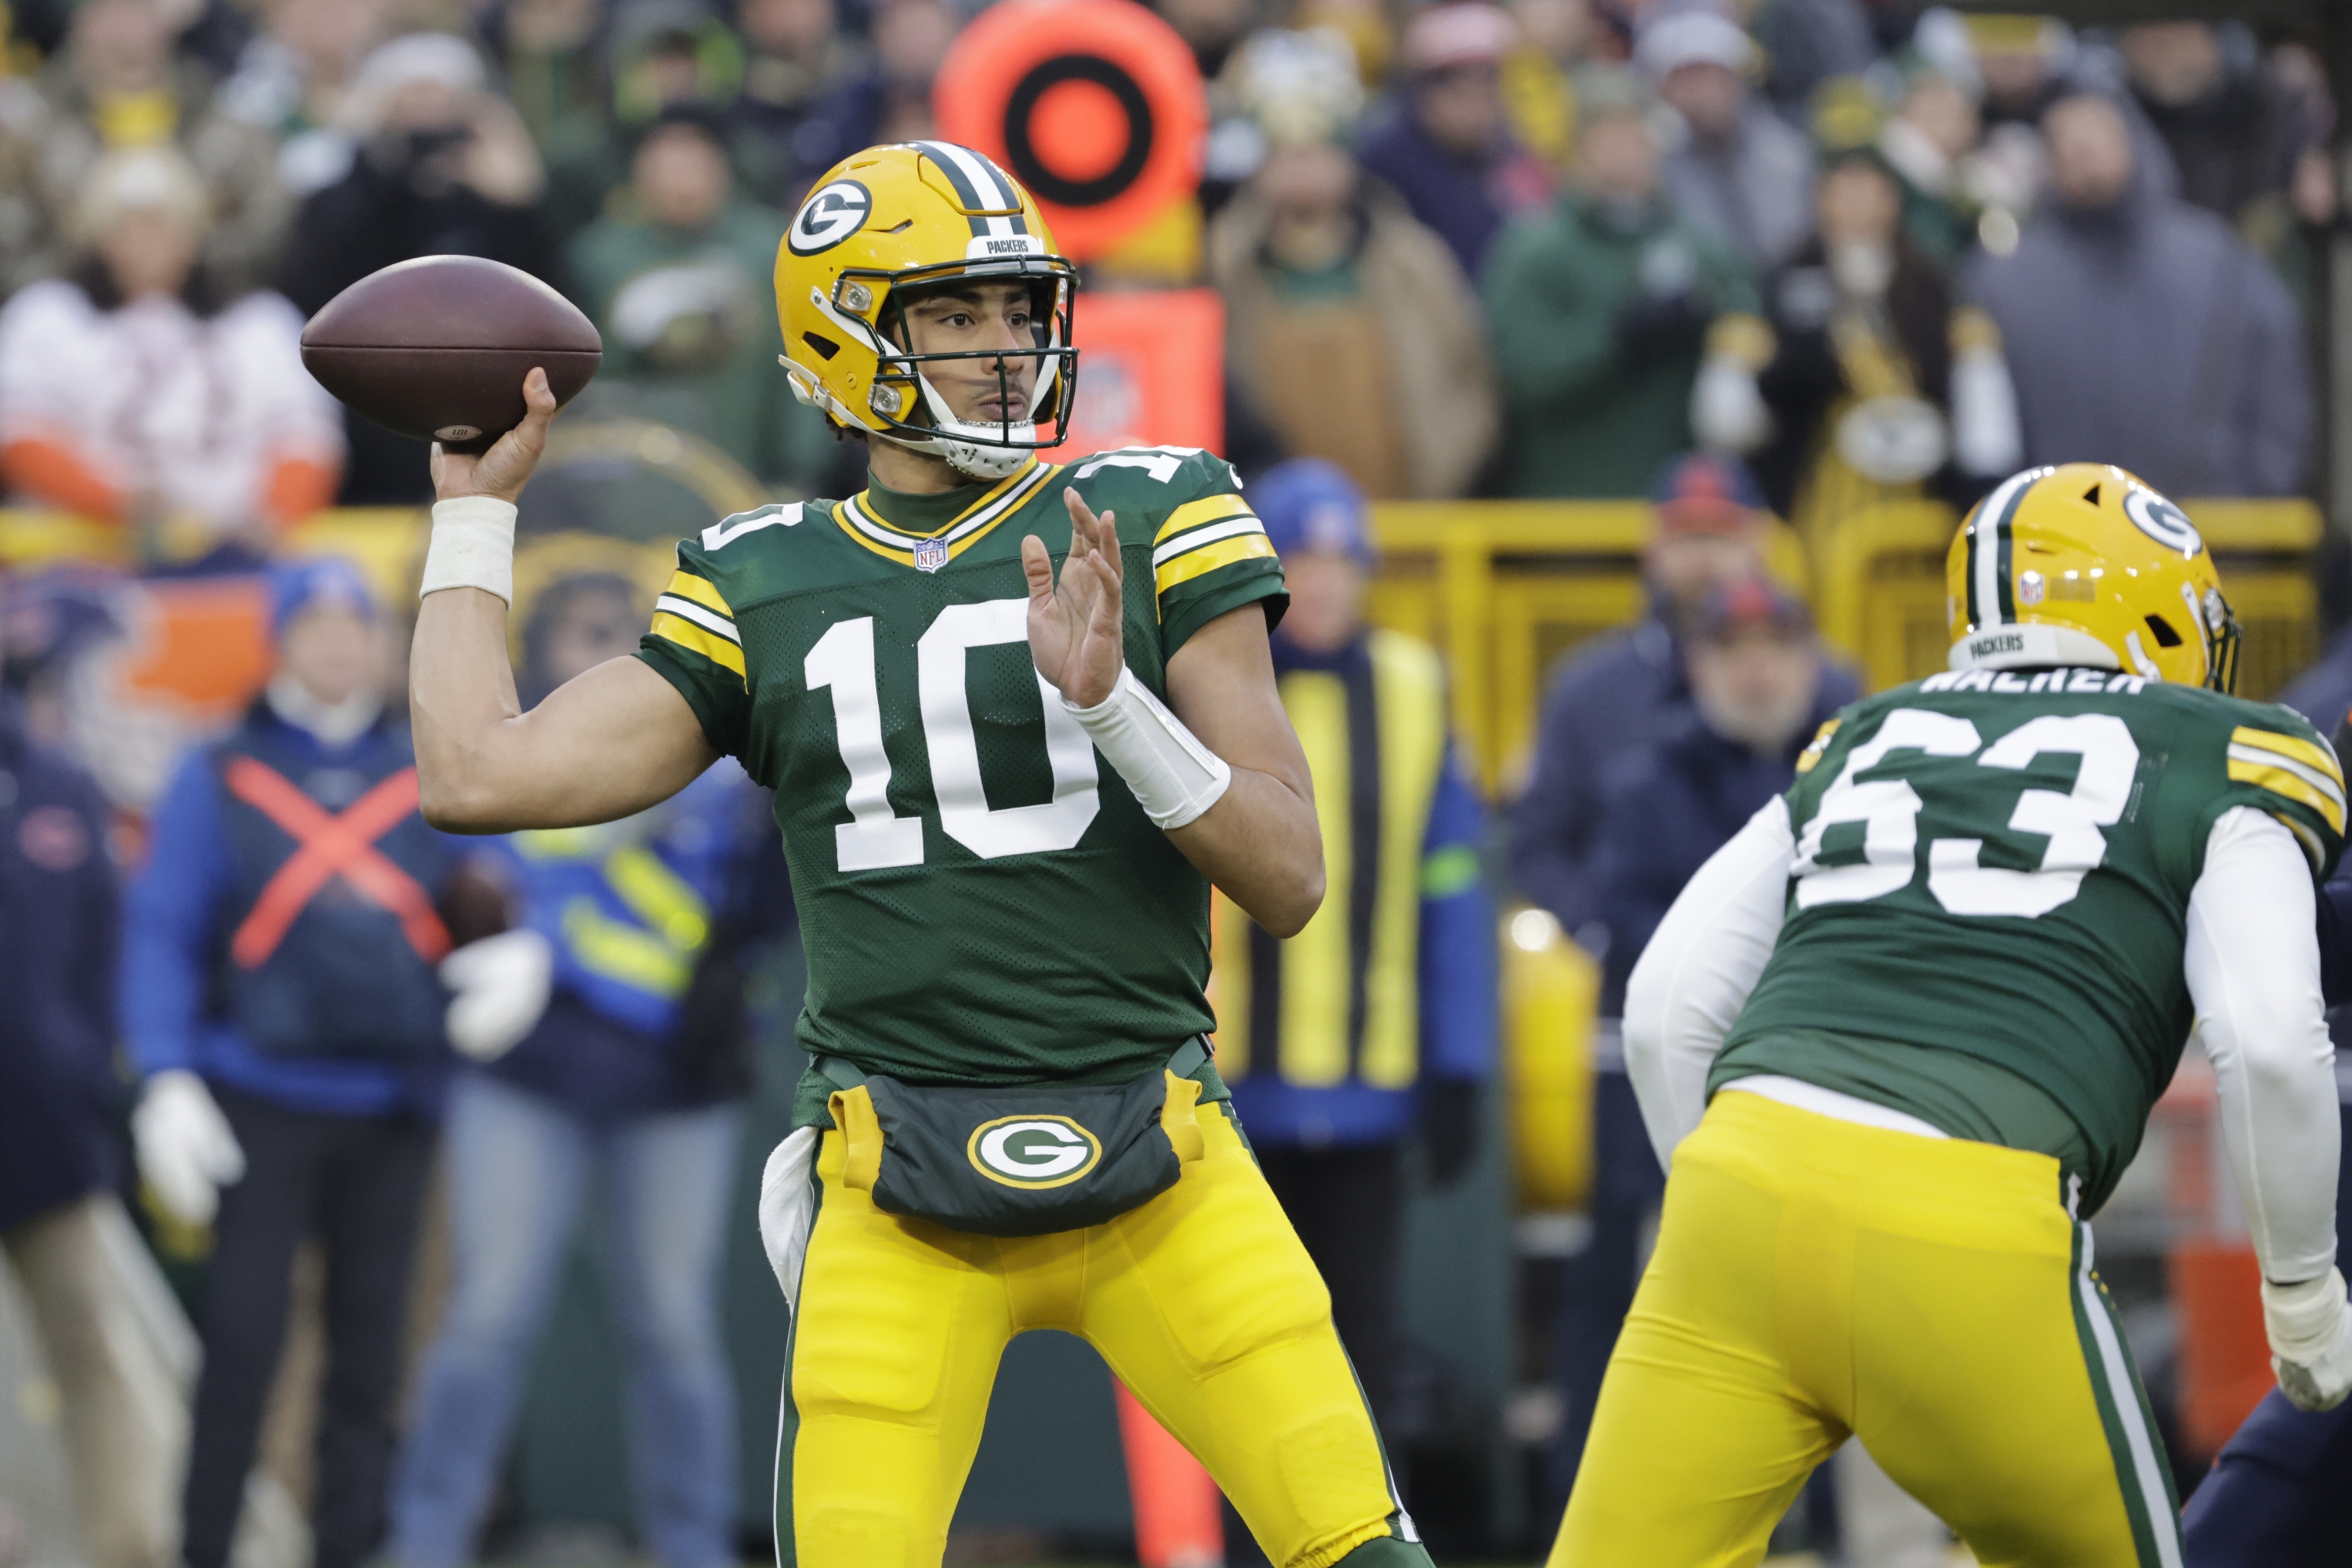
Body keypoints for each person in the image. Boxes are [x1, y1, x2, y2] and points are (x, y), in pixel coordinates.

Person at [405, 141, 1434, 1568]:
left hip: (1166, 1152)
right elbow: (473, 773)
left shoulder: (1149, 508)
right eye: (955, 316)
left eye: (1019, 310)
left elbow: (1290, 872)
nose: (1008, 347)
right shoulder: (760, 573)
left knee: (1362, 1550)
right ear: (845, 339)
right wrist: (472, 511)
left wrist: (1114, 705)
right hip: (896, 1184)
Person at [1548, 463, 2352, 1564]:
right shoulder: (2233, 753)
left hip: (1730, 1198)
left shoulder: (1866, 731)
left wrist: (1750, 1215)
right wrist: (2303, 1291)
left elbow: (1663, 1010)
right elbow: (2268, 1043)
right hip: (1972, 1217)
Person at [389, 566, 784, 1568]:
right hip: (527, 1076)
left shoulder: (720, 771)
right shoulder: (497, 761)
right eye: (580, 629)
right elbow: (432, 880)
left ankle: (693, 1543)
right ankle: (425, 1540)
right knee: (487, 1317)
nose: (599, 647)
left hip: (676, 1087)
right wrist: (475, 945)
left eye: (622, 632)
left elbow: (768, 906)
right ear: (543, 650)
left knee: (675, 1329)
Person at [120, 559, 476, 1568]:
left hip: (396, 1100)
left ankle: (347, 1550)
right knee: (240, 1346)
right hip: (258, 1100)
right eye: (314, 621)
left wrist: (513, 949)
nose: (336, 642)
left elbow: (493, 882)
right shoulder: (219, 766)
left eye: (353, 622)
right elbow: (161, 927)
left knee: (371, 1361)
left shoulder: (428, 757)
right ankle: (206, 1549)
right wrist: (165, 1073)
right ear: (280, 636)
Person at [1210, 459, 1496, 1431]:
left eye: (1345, 562)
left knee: (1363, 1337)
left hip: (1371, 1081)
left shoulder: (1413, 687)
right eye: (1304, 560)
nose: (1326, 584)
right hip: (1232, 1081)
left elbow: (1452, 881)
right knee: (1244, 1342)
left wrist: (1459, 1061)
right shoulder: (1206, 684)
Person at [1550, 574, 1846, 1492]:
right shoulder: (1645, 781)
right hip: (1668, 1104)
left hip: (1819, 1096)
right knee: (1652, 1308)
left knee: (1837, 1315)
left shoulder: (1853, 774)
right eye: (1735, 650)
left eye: (1776, 647)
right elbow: (1627, 923)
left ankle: (1838, 1531)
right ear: (1699, 662)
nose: (1758, 671)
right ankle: (1622, 1507)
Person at [0, 586, 161, 1568]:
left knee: (94, 1356)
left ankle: (127, 1548)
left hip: (52, 1136)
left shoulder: (58, 785)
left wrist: (91, 1080)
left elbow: (107, 957)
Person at [1512, 451, 1796, 944]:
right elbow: (1537, 842)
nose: (1705, 558)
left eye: (1721, 536)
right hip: (1636, 979)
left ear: (1759, 542)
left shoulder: (1815, 684)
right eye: (1687, 537)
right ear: (1653, 546)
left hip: (1784, 975)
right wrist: (1601, 928)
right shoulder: (1590, 690)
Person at [1966, 91, 2311, 499]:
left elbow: (2279, 390)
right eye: (2068, 146)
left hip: (2217, 536)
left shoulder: (2220, 260)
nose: (2085, 156)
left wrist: (2262, 495)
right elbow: (1985, 428)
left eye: (2098, 139)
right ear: (2048, 163)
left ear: (2134, 141)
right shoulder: (2003, 282)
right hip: (2058, 544)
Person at [0, 147, 343, 550]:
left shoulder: (258, 322)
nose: (148, 242)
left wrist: (273, 518)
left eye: (163, 225)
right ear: (98, 235)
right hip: (81, 553)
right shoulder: (49, 316)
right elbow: (21, 432)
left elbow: (307, 436)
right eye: (129, 226)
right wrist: (116, 502)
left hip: (238, 556)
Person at [1209, 37, 1497, 499]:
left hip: (1412, 525)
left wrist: (1442, 475)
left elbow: (1466, 379)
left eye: (1318, 152)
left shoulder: (1411, 262)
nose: (1302, 170)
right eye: (1285, 154)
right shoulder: (1225, 267)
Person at [274, 32, 553, 504]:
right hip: (373, 425)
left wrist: (521, 202)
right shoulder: (345, 196)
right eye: (409, 102)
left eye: (439, 102)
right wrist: (372, 172)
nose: (425, 121)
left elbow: (553, 304)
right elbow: (304, 292)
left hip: (484, 409)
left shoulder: (491, 201)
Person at [1700, 145, 2020, 530]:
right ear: (1819, 199)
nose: (1857, 206)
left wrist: (1981, 484)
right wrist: (1790, 374)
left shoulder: (1934, 287)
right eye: (1843, 191)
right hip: (1811, 503)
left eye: (1870, 191)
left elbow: (1982, 404)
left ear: (1893, 201)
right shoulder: (1781, 284)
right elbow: (1728, 420)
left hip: (1922, 504)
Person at [1483, 74, 1756, 498]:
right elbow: (1523, 371)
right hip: (1571, 498)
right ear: (1577, 150)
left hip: (1684, 501)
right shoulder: (1537, 250)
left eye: (1632, 135)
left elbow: (1749, 308)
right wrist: (1618, 339)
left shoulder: (1697, 243)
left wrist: (1729, 353)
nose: (1622, 153)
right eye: (1605, 137)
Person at [565, 108, 833, 491]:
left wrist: (797, 474)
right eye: (667, 166)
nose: (682, 183)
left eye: (694, 164)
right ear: (639, 174)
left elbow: (806, 366)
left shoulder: (772, 248)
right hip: (634, 484)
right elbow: (589, 383)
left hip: (751, 477)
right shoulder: (599, 257)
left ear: (722, 169)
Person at [0, 0, 285, 299]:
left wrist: (186, 256)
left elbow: (268, 227)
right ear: (80, 22)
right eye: (111, 13)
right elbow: (12, 241)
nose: (128, 32)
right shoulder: (32, 130)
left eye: (141, 12)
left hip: (204, 308)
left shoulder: (222, 122)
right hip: (72, 310)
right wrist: (95, 258)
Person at [1357, 1, 1553, 281]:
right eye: (1462, 89)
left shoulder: (1507, 150)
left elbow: (1536, 225)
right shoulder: (1384, 162)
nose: (1479, 105)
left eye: (1489, 85)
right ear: (1425, 91)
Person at [1636, 9, 1814, 274]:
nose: (1701, 92)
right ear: (1664, 90)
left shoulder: (1788, 152)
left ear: (1736, 79)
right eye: (1684, 79)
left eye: (1710, 75)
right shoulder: (1653, 166)